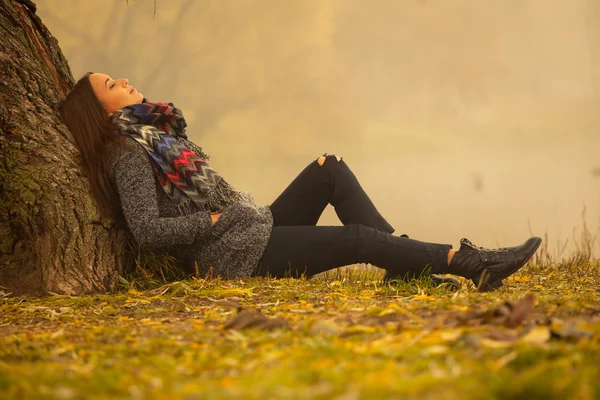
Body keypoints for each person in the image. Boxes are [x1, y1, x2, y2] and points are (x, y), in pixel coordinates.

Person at [59, 72, 542, 292]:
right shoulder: (127, 154)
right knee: (356, 240)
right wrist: (214, 218)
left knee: (327, 167)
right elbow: (146, 230)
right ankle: (472, 263)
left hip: (251, 228)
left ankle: (403, 265)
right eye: (111, 86)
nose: (123, 81)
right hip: (233, 257)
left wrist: (230, 216)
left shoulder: (156, 135)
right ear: (100, 111)